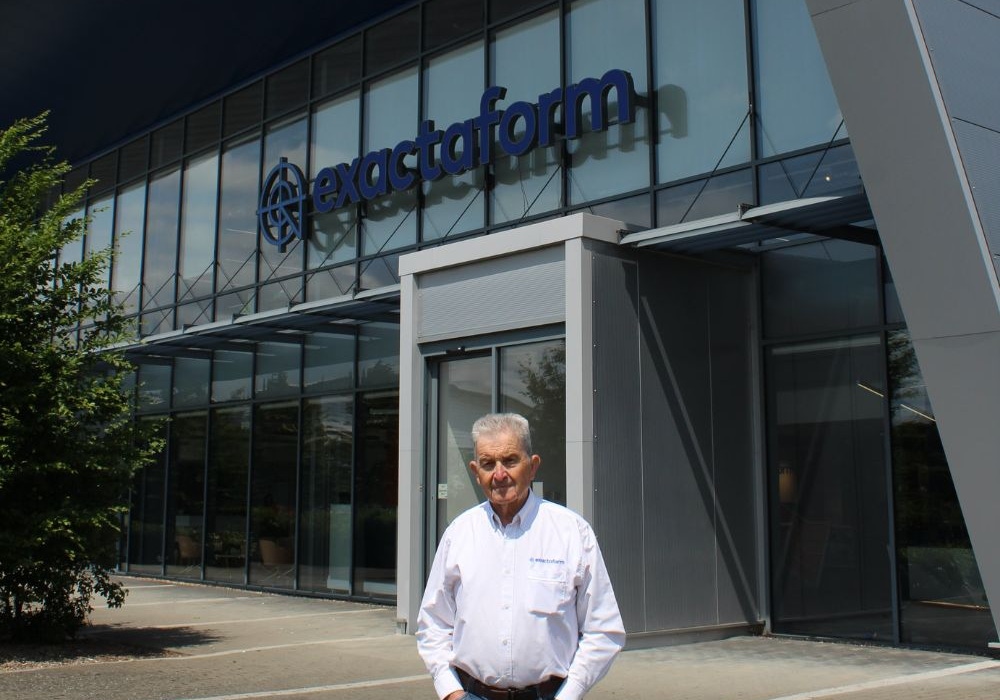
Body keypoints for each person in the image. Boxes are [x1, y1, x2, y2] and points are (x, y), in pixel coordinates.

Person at [417, 413, 625, 700]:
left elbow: (604, 629)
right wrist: (450, 691)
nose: (499, 474)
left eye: (510, 460)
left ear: (533, 466)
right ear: (476, 472)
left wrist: (570, 694)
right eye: (488, 464)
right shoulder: (459, 534)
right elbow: (433, 623)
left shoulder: (572, 533)